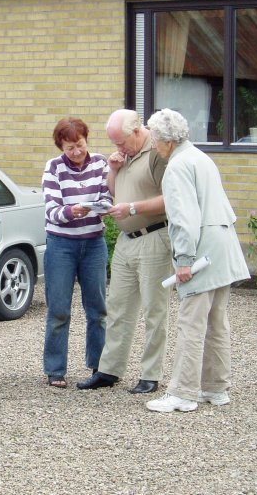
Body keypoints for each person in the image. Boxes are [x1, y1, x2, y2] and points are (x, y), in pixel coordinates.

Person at [144, 108, 250, 413]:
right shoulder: (201, 157)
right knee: (216, 322)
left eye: (153, 137)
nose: (152, 143)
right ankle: (216, 389)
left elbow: (183, 218)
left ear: (165, 139)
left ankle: (183, 393)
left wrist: (185, 260)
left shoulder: (177, 166)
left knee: (191, 323)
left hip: (202, 250)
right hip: (223, 246)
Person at [77, 109, 172, 394]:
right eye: (114, 143)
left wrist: (132, 209)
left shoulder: (156, 153)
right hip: (126, 240)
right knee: (118, 307)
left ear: (137, 131)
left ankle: (150, 374)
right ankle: (110, 369)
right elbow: (116, 192)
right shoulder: (123, 155)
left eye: (120, 142)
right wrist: (114, 169)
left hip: (154, 236)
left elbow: (171, 198)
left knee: (155, 309)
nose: (118, 148)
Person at [42, 117, 112, 388]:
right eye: (69, 147)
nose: (76, 152)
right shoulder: (53, 167)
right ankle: (55, 368)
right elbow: (51, 210)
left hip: (94, 243)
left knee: (98, 309)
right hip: (61, 245)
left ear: (86, 139)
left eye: (79, 145)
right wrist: (71, 212)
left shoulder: (100, 162)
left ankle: (99, 365)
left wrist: (99, 207)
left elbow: (108, 197)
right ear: (61, 146)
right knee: (59, 309)